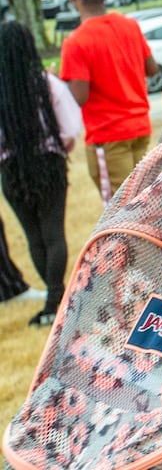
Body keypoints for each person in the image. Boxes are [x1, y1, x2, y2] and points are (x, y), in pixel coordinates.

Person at [0, 22, 81, 327]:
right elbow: (71, 129)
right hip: (49, 164)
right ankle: (56, 300)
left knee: (35, 237)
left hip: (12, 171)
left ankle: (52, 300)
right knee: (53, 233)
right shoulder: (48, 85)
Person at [59, 0, 159, 203]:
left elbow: (79, 97)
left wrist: (57, 81)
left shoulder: (76, 41)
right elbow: (152, 68)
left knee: (119, 211)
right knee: (144, 204)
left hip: (108, 137)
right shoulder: (130, 26)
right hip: (140, 129)